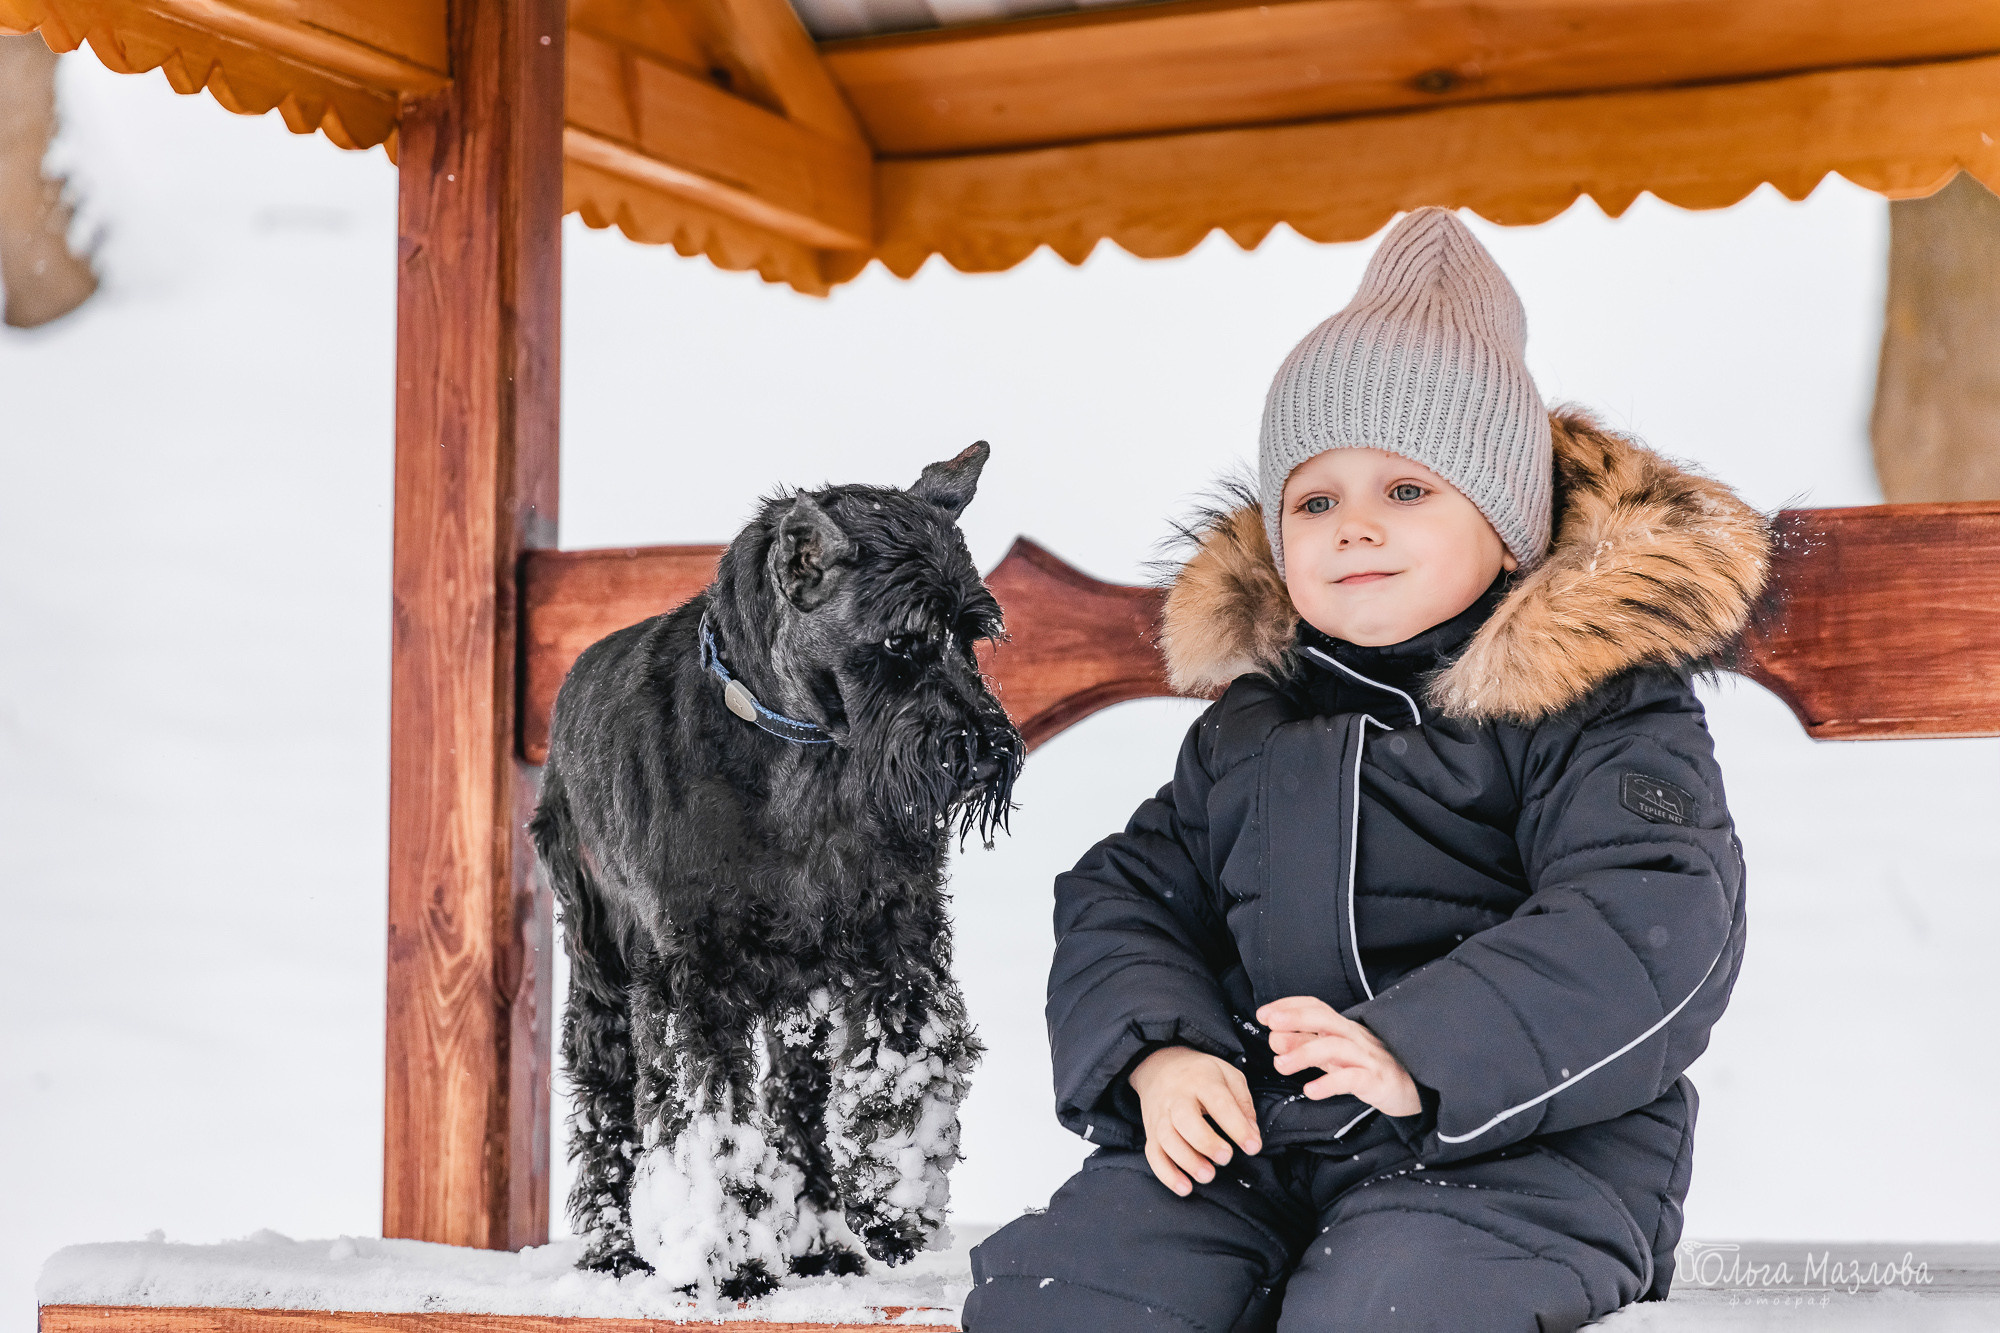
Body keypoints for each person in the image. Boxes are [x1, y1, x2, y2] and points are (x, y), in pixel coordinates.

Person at [961, 208, 1774, 1332]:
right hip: (1258, 1142)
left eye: (1405, 490)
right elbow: (1128, 896)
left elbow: (1652, 916)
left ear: (1508, 525)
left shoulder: (1596, 706)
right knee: (1080, 1291)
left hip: (1520, 1159)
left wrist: (1417, 1048)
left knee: (1389, 1310)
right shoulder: (1254, 723)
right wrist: (1159, 1052)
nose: (1352, 527)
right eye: (1314, 498)